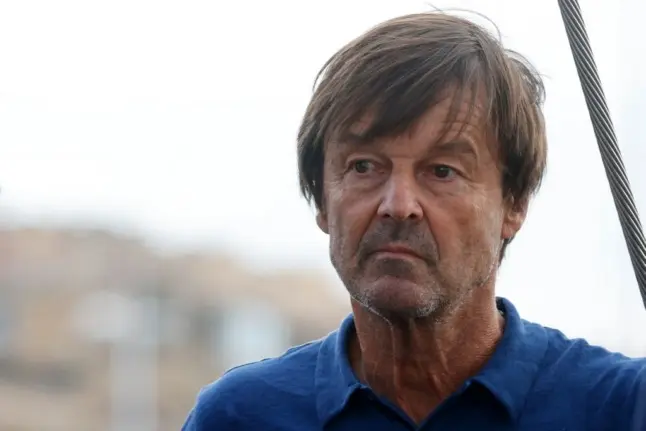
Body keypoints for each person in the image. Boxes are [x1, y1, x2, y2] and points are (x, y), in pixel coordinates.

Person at [182, 12, 646, 430]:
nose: (398, 204)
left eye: (442, 171)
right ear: (322, 199)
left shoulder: (622, 408)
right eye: (364, 166)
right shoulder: (241, 416)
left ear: (514, 204)